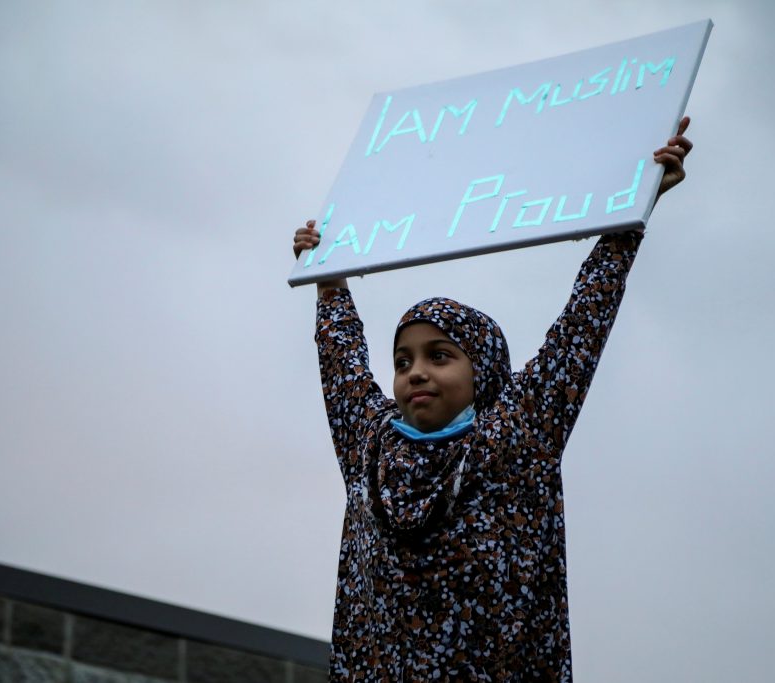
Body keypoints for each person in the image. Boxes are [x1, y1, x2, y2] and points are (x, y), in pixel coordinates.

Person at [293, 119, 693, 682]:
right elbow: (342, 365)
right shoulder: (371, 447)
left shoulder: (515, 437)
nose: (416, 372)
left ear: (483, 371)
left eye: (439, 355)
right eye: (403, 361)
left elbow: (580, 326)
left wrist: (637, 207)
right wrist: (328, 277)